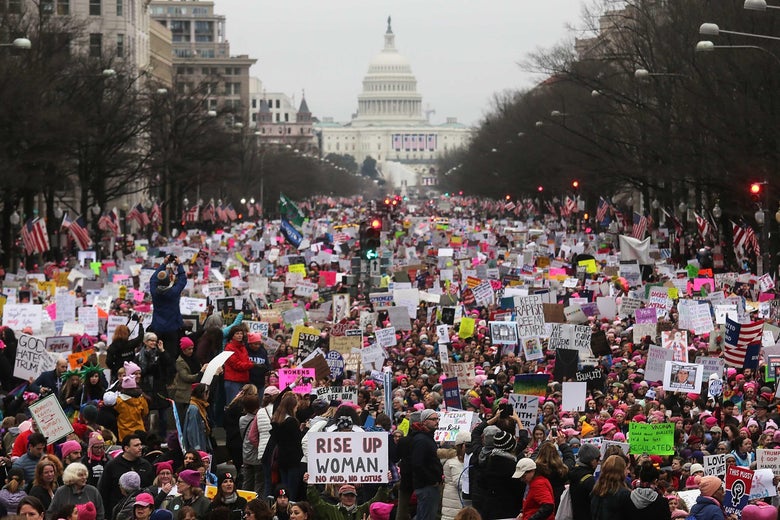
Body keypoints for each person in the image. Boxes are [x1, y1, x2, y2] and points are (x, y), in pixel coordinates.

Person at [98, 434, 154, 517]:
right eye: (136, 445)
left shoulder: (145, 465)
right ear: (126, 448)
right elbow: (104, 491)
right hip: (117, 512)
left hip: (141, 513)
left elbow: (151, 488)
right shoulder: (112, 466)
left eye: (140, 444)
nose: (140, 447)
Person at [135, 331, 174, 437]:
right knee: (145, 415)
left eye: (155, 341)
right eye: (151, 340)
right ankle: (146, 437)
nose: (153, 343)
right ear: (145, 342)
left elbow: (169, 363)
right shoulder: (139, 355)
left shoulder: (159, 353)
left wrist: (162, 350)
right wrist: (151, 366)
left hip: (159, 388)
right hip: (146, 387)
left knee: (163, 416)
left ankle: (163, 437)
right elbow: (140, 372)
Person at [150, 255, 187, 355]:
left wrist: (164, 263)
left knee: (157, 353)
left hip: (158, 327)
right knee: (171, 355)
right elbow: (183, 280)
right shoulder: (173, 292)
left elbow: (152, 279)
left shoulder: (154, 292)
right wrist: (179, 265)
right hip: (172, 328)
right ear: (168, 281)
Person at [269, 393, 304, 499]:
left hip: (282, 459)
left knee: (285, 488)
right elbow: (297, 440)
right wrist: (301, 430)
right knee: (292, 491)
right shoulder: (291, 422)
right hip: (293, 460)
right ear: (292, 407)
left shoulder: (277, 421)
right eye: (296, 406)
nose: (297, 409)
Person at [411, 409, 443, 520]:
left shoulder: (427, 438)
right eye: (433, 419)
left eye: (437, 418)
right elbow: (417, 464)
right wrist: (431, 480)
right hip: (426, 487)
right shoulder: (421, 440)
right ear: (424, 421)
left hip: (428, 486)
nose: (437, 421)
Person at [306, 480, 389, 520]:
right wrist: (310, 485)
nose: (349, 498)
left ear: (356, 497)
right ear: (340, 496)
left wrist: (384, 485)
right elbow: (316, 502)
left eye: (352, 495)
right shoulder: (331, 510)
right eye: (346, 495)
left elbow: (377, 500)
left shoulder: (362, 509)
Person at [103, 369, 148, 440]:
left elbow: (114, 413)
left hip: (124, 433)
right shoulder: (142, 399)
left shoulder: (119, 401)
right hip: (139, 431)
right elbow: (145, 413)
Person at [172, 337, 208, 421]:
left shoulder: (195, 359)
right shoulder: (180, 362)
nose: (191, 351)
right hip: (184, 396)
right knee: (184, 419)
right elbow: (186, 377)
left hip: (195, 394)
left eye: (192, 348)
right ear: (183, 350)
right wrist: (200, 373)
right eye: (189, 349)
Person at [534, 438, 575, 508]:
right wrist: (562, 444)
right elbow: (570, 458)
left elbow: (532, 457)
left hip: (540, 504)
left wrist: (545, 443)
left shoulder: (535, 470)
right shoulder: (563, 470)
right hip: (558, 505)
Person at [255, 386, 280, 498]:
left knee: (267, 481)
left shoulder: (260, 412)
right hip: (275, 451)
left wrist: (260, 445)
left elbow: (252, 435)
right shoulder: (279, 410)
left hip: (263, 451)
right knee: (277, 481)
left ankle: (266, 505)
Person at [223, 324, 258, 404]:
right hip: (233, 381)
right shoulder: (229, 348)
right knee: (233, 405)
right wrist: (252, 365)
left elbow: (246, 361)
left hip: (243, 380)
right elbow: (237, 365)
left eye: (241, 333)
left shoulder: (243, 347)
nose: (239, 335)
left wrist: (250, 364)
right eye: (237, 333)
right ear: (232, 335)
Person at [590, 455, 631, 520]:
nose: (628, 472)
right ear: (620, 471)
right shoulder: (624, 494)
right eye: (626, 468)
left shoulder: (596, 490)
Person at [442, 431, 470, 520]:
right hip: (453, 504)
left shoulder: (464, 460)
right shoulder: (454, 462)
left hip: (457, 504)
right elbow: (459, 482)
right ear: (462, 446)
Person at [567, 443, 599, 520]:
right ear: (591, 460)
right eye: (597, 459)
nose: (598, 462)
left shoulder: (574, 472)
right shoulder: (589, 480)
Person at [183, 383, 212, 452]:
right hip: (198, 446)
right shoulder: (194, 408)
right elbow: (192, 430)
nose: (208, 396)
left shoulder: (200, 406)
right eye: (207, 393)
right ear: (203, 394)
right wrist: (196, 448)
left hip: (203, 441)